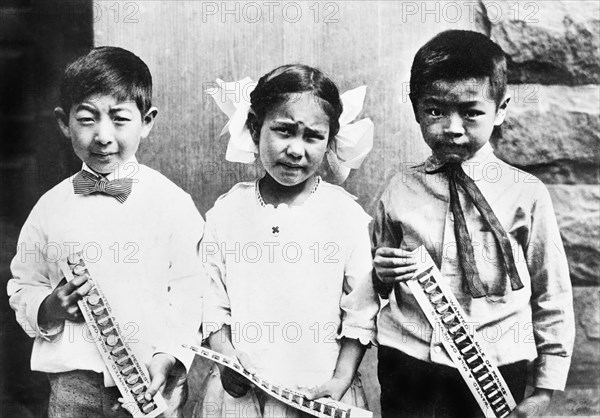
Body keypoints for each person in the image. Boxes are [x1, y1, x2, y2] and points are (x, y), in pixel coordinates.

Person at [372, 30, 575, 418]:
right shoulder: (399, 190)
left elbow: (552, 292)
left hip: (496, 362)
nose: (452, 126)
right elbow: (370, 282)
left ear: (501, 109)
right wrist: (381, 271)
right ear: (415, 109)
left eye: (471, 111)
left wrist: (545, 390)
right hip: (407, 358)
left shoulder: (525, 194)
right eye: (435, 111)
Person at [7, 46, 205, 417]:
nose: (103, 135)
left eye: (119, 118)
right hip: (73, 384)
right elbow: (23, 284)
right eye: (87, 119)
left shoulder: (172, 203)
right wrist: (49, 306)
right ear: (64, 122)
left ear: (147, 121)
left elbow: (192, 289)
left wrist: (169, 356)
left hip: (153, 378)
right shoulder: (49, 209)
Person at [199, 65, 379, 417]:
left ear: (329, 140)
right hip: (243, 397)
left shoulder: (344, 216)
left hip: (319, 394)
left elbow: (360, 309)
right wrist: (225, 357)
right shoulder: (228, 212)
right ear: (255, 128)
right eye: (283, 131)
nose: (296, 150)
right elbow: (210, 299)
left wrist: (341, 378)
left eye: (312, 136)